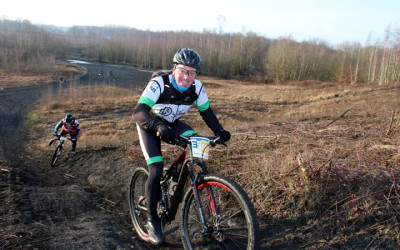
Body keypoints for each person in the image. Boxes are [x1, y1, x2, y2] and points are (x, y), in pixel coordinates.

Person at [132, 48, 231, 246]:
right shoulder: (160, 83)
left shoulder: (197, 87)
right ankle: (152, 221)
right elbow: (139, 112)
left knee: (194, 146)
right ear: (174, 69)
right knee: (156, 168)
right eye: (183, 70)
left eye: (192, 72)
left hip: (173, 124)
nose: (187, 76)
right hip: (150, 124)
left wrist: (220, 131)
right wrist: (157, 125)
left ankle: (173, 187)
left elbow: (207, 112)